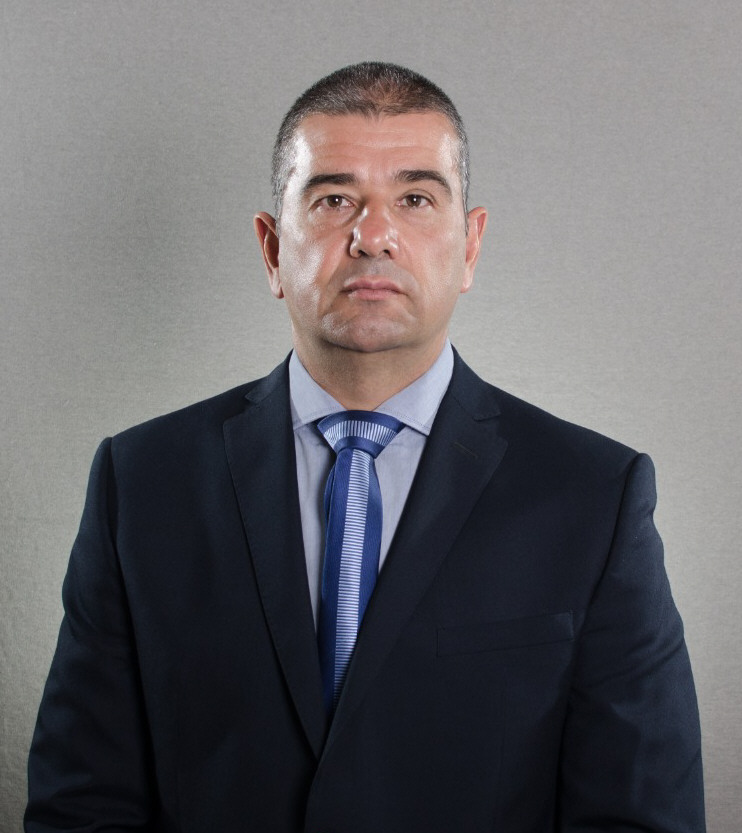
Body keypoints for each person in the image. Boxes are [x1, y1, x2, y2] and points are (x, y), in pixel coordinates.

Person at [26, 62, 704, 832]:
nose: (372, 235)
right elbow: (81, 807)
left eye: (415, 199)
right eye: (334, 199)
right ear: (271, 249)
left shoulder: (594, 496)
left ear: (470, 245)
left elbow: (641, 816)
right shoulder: (143, 483)